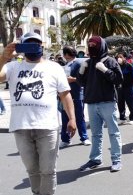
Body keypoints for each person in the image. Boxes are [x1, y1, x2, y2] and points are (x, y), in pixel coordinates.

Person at [0, 32, 76, 195]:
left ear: (42, 46)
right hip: (21, 128)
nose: (33, 47)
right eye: (28, 44)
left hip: (47, 127)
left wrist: (72, 119)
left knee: (48, 170)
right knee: (32, 169)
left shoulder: (54, 67)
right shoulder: (13, 66)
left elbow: (65, 94)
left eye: (36, 43)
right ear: (22, 47)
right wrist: (3, 57)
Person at [77, 36, 123, 172]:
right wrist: (81, 71)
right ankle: (95, 159)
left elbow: (119, 80)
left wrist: (106, 70)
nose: (91, 47)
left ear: (101, 45)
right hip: (91, 102)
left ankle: (117, 160)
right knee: (96, 134)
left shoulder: (110, 61)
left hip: (107, 102)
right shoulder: (88, 63)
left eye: (94, 44)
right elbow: (81, 83)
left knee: (113, 132)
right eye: (89, 44)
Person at [59, 46, 91, 148]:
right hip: (66, 94)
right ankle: (65, 139)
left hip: (76, 94)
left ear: (66, 55)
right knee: (65, 118)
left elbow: (84, 78)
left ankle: (84, 137)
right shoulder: (66, 65)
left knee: (79, 117)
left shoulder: (77, 63)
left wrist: (73, 80)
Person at [116, 53, 133, 125]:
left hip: (129, 87)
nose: (119, 59)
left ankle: (132, 118)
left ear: (124, 58)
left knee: (130, 103)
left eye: (120, 57)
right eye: (117, 58)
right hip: (120, 87)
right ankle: (122, 118)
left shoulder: (129, 66)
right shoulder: (116, 66)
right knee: (120, 103)